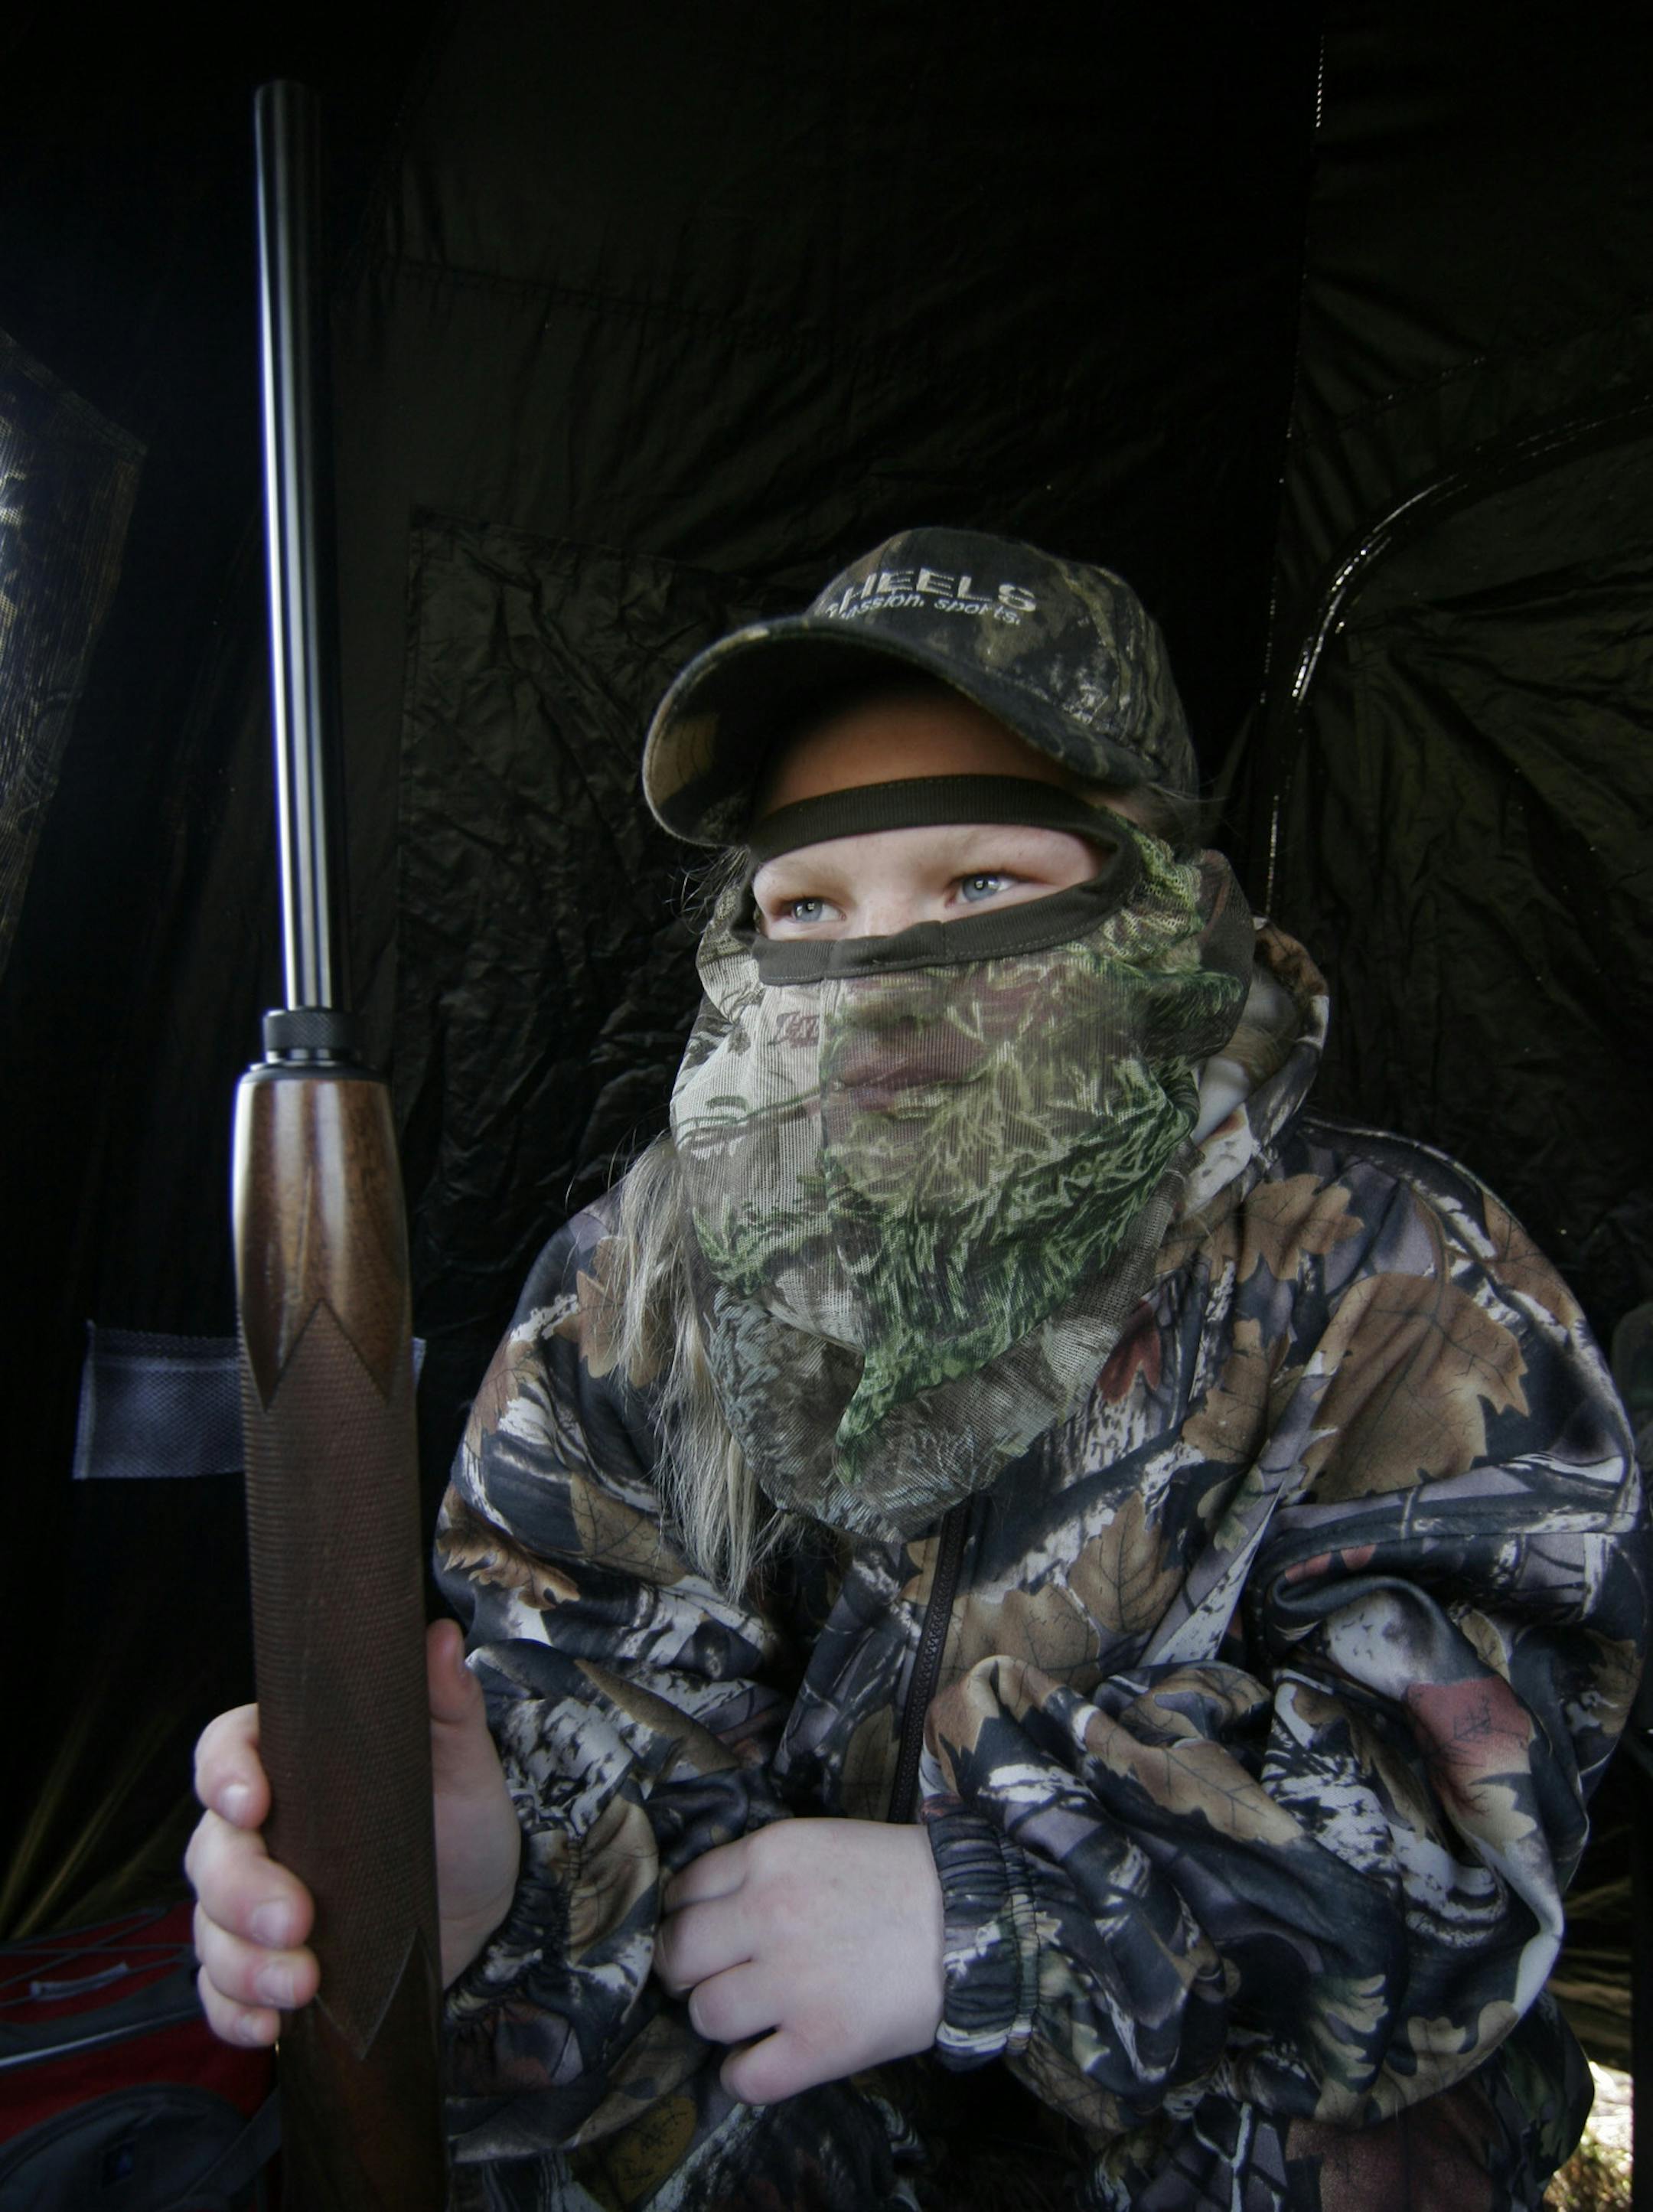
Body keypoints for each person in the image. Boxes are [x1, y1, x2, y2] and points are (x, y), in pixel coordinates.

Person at [187, 529, 1648, 2211]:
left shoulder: (1392, 1284)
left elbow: (1460, 1858)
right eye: (809, 905)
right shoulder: (636, 1288)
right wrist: (489, 1877)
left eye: (979, 890)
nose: (879, 982)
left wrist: (988, 1909)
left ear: (1160, 905)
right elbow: (581, 1697)